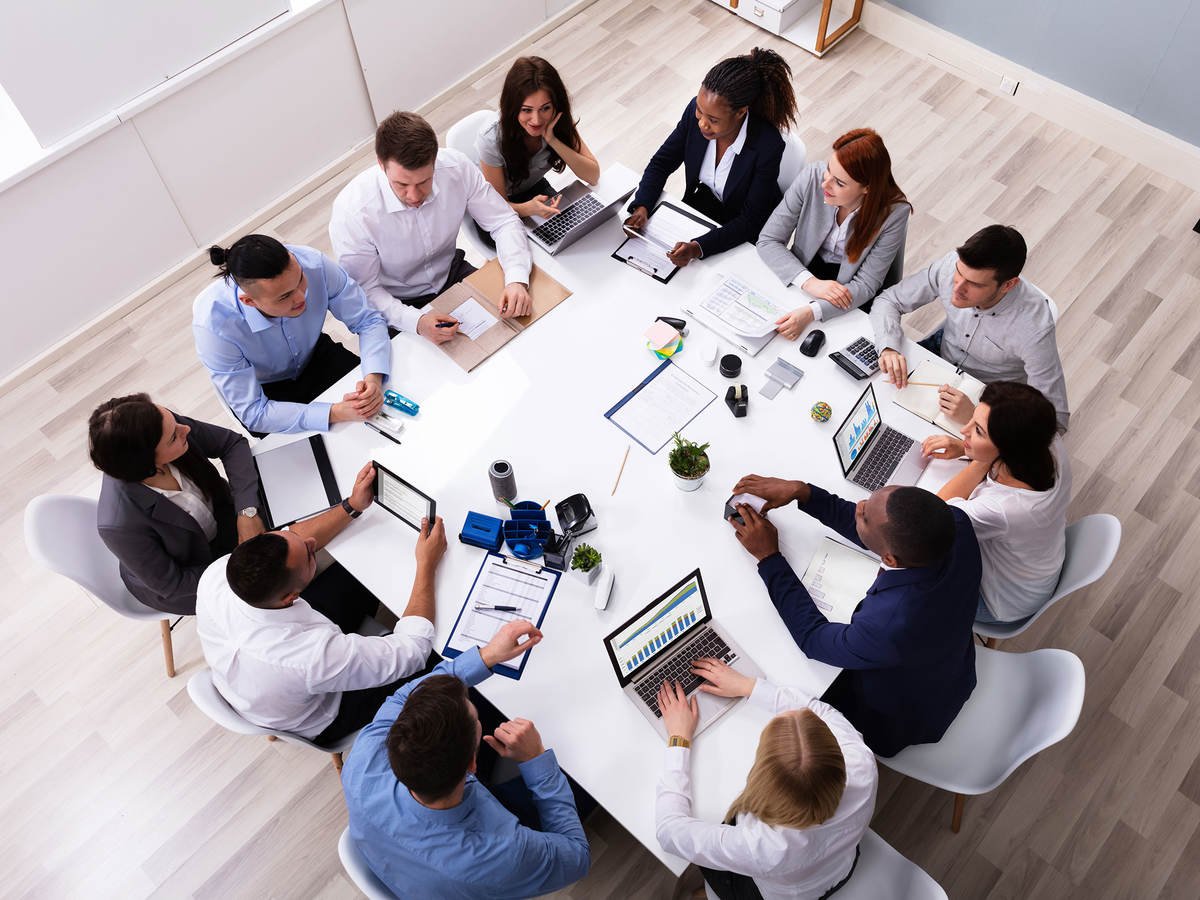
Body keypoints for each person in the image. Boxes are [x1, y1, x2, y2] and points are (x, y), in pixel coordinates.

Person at [727, 476, 981, 757]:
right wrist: (805, 493)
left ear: (891, 560)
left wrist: (769, 557)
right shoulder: (953, 524)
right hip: (951, 667)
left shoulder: (889, 624)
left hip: (900, 718)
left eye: (865, 516)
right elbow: (880, 533)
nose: (859, 505)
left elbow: (812, 638)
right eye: (869, 500)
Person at [195, 462, 444, 746]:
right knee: (438, 659)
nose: (313, 541)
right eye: (310, 554)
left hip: (267, 678)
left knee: (359, 567)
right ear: (291, 597)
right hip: (328, 712)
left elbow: (297, 538)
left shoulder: (219, 573)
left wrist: (352, 506)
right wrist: (426, 564)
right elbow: (413, 651)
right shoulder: (308, 658)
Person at [341, 620, 591, 899]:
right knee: (583, 780)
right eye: (476, 722)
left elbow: (405, 698)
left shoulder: (364, 756)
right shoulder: (503, 855)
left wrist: (486, 656)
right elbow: (577, 856)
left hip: (408, 860)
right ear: (472, 766)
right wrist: (535, 761)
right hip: (476, 855)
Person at [655, 658, 877, 900]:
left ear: (762, 775)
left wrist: (679, 739)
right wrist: (747, 686)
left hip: (774, 893)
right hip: (841, 868)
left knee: (709, 839)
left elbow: (668, 831)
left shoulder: (761, 847)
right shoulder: (861, 763)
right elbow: (819, 711)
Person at [330, 111, 533, 346]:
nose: (414, 195)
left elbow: (503, 221)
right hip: (395, 300)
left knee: (519, 332)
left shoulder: (456, 168)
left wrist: (516, 278)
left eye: (424, 181)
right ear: (381, 164)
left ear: (435, 161)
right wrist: (416, 321)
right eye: (402, 184)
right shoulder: (353, 212)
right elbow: (365, 289)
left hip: (451, 272)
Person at [870, 224, 1070, 431]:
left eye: (975, 284)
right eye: (959, 273)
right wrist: (889, 347)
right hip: (940, 356)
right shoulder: (951, 266)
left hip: (990, 393)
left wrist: (976, 417)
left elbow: (1056, 420)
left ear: (1008, 285)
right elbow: (889, 300)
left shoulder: (1034, 328)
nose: (956, 288)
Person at [193, 234, 390, 436]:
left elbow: (367, 320)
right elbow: (253, 413)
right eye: (285, 296)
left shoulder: (313, 263)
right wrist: (333, 413)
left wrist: (373, 377)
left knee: (386, 408)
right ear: (249, 301)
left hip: (316, 356)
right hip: (267, 391)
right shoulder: (214, 326)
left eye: (300, 280)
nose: (301, 296)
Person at [90, 393, 266, 616]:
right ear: (147, 462)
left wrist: (246, 512)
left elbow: (231, 444)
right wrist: (243, 563)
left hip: (226, 524)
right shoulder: (119, 524)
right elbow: (174, 585)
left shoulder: (164, 425)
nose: (186, 430)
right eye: (173, 437)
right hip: (195, 577)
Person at [625, 48, 798, 267]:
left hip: (741, 229)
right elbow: (661, 163)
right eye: (700, 111)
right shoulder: (693, 113)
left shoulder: (767, 145)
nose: (702, 123)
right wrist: (642, 206)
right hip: (701, 209)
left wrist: (699, 248)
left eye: (713, 120)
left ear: (740, 112)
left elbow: (751, 220)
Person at [923, 381, 1072, 624]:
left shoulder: (1003, 509)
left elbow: (934, 516)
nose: (964, 431)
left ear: (1008, 451)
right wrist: (969, 449)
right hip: (1035, 565)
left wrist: (977, 458)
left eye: (978, 431)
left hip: (1000, 601)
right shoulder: (1047, 441)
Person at [758, 128, 912, 339]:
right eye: (829, 170)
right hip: (802, 271)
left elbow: (866, 284)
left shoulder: (894, 213)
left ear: (867, 188)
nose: (825, 184)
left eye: (839, 183)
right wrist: (810, 283)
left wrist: (812, 312)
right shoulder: (812, 176)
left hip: (851, 291)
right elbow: (768, 240)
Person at [475, 56, 599, 229]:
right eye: (526, 110)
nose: (536, 120)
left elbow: (592, 176)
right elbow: (497, 207)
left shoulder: (557, 121)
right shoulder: (491, 138)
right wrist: (528, 208)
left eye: (545, 108)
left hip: (534, 190)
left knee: (572, 231)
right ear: (513, 107)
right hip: (494, 207)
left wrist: (553, 140)